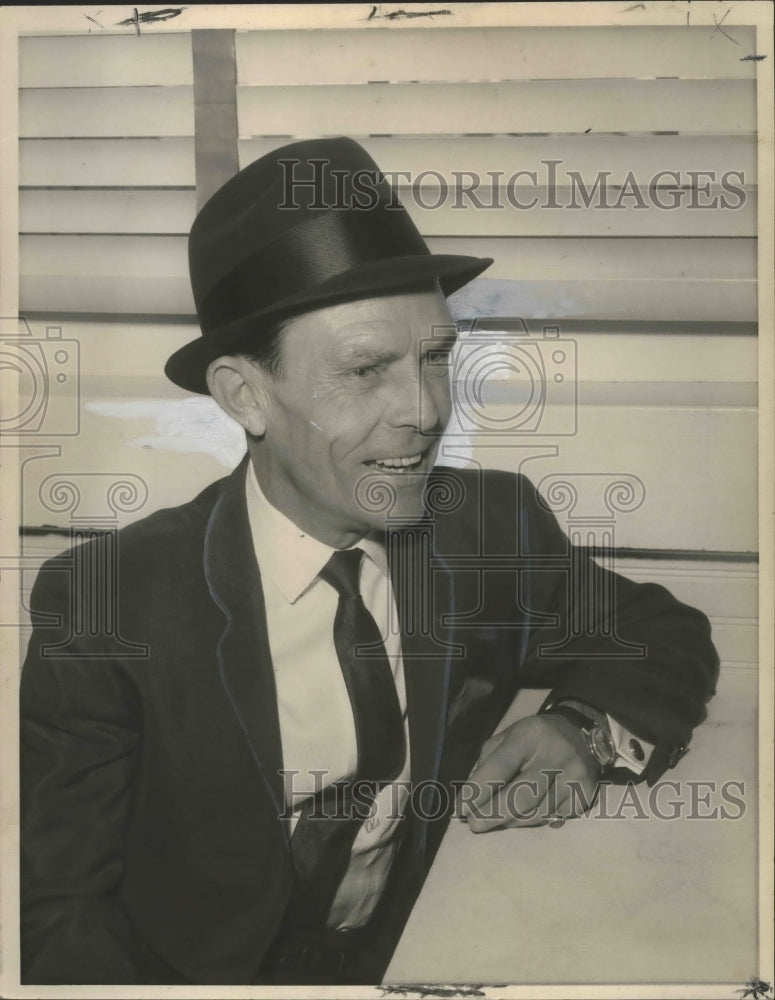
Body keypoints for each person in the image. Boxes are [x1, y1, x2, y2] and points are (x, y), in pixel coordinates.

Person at [20, 137, 719, 985]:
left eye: (435, 357)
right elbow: (58, 913)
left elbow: (656, 629)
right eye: (364, 369)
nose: (423, 412)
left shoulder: (482, 525)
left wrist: (580, 729)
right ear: (246, 395)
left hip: (414, 956)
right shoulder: (111, 604)